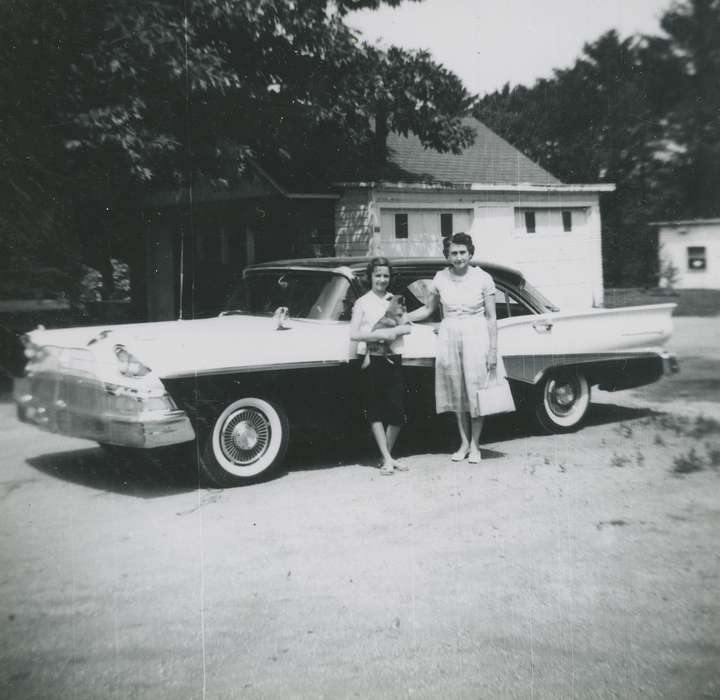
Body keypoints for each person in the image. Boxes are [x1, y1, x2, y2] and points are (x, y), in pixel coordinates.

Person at [407, 233, 514, 463]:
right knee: (456, 391)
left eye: (462, 252)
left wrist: (493, 350)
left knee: (476, 391)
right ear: (447, 255)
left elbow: (491, 317)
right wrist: (402, 318)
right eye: (453, 253)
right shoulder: (441, 278)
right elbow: (427, 310)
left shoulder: (483, 278)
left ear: (470, 253)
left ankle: (476, 445)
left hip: (477, 336)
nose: (458, 257)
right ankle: (463, 443)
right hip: (449, 335)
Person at [350, 257, 412, 475]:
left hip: (393, 357)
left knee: (397, 409)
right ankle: (387, 458)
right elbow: (354, 334)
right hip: (372, 358)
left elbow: (407, 328)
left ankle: (386, 455)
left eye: (385, 276)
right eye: (378, 275)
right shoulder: (362, 303)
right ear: (371, 277)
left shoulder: (395, 300)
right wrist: (376, 335)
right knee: (375, 409)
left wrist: (393, 332)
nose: (382, 280)